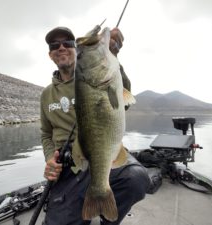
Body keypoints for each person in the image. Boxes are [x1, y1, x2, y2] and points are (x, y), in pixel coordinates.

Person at [40, 26, 150, 225]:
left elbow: (122, 101)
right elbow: (46, 134)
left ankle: (107, 219)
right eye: (55, 45)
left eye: (68, 43)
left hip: (102, 155)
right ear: (50, 55)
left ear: (75, 49)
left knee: (137, 179)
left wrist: (113, 54)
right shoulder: (46, 94)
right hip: (69, 168)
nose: (61, 47)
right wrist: (50, 159)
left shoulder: (98, 76)